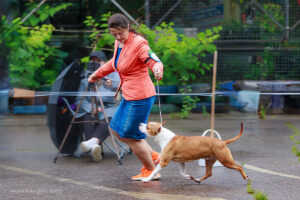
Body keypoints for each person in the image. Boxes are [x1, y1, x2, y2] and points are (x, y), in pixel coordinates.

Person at [88, 13, 164, 181]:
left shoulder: (139, 44)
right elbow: (114, 63)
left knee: (131, 135)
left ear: (127, 27)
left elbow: (153, 61)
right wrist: (97, 73)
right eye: (114, 34)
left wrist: (158, 69)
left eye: (120, 33)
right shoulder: (118, 43)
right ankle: (155, 157)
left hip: (141, 97)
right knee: (116, 129)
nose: (117, 37)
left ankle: (151, 171)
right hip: (129, 95)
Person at [75, 51, 120, 162]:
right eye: (93, 61)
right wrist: (93, 108)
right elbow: (79, 100)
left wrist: (112, 83)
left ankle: (93, 143)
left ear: (105, 63)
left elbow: (123, 86)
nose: (95, 63)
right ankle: (95, 148)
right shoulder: (86, 78)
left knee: (108, 117)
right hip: (90, 109)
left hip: (110, 107)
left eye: (98, 61)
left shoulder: (114, 75)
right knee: (88, 117)